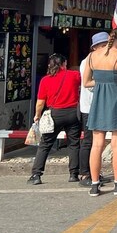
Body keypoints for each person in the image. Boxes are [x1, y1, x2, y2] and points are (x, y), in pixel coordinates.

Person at [83, 27, 117, 197]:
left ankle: (95, 185)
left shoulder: (92, 56)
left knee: (97, 144)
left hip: (99, 100)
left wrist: (101, 83)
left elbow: (86, 82)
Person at [27, 54, 81, 185]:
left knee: (45, 144)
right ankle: (73, 174)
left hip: (54, 114)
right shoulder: (74, 75)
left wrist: (37, 115)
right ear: (65, 63)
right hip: (73, 113)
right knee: (74, 144)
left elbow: (40, 102)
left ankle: (36, 174)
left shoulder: (45, 80)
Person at [78, 32, 109, 186]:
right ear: (95, 47)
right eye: (103, 45)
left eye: (107, 45)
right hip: (89, 106)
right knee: (89, 141)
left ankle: (95, 172)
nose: (105, 48)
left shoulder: (100, 60)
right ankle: (84, 174)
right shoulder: (88, 61)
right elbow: (87, 83)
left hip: (99, 105)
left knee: (99, 141)